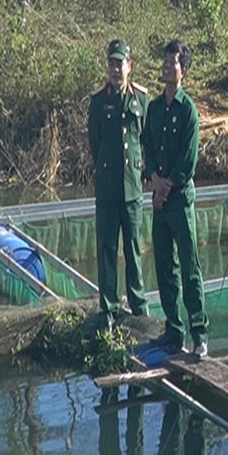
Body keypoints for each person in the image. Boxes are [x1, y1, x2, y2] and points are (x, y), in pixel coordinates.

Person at [142, 39, 209, 358]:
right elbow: (147, 150)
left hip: (179, 200)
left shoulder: (188, 110)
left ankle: (199, 334)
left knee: (189, 266)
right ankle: (173, 330)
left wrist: (165, 188)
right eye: (165, 61)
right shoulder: (154, 108)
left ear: (184, 71)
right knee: (164, 266)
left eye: (173, 62)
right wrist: (154, 180)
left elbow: (188, 160)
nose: (167, 66)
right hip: (159, 201)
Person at [87, 39, 149, 330]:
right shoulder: (99, 102)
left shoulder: (142, 100)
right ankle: (109, 308)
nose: (115, 69)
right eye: (111, 63)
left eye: (119, 63)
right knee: (107, 248)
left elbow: (145, 141)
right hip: (108, 189)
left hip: (133, 189)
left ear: (129, 66)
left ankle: (138, 305)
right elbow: (94, 146)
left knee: (134, 249)